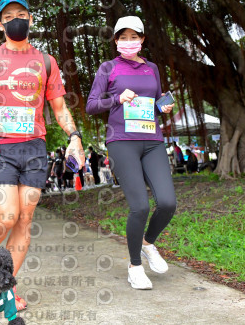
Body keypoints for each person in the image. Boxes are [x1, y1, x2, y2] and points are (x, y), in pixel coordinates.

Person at [0, 0, 84, 311]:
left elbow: (60, 109)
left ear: (31, 19)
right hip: (1, 147)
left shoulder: (47, 62)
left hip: (35, 148)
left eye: (21, 14)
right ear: (0, 24)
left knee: (25, 218)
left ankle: (4, 289)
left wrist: (74, 136)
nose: (15, 20)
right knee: (7, 215)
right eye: (8, 17)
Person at [86, 15, 176, 290]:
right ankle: (135, 266)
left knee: (167, 203)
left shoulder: (152, 68)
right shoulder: (108, 68)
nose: (128, 41)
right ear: (116, 41)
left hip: (152, 140)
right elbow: (91, 105)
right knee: (140, 207)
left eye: (133, 37)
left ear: (142, 39)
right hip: (122, 142)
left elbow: (155, 102)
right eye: (123, 37)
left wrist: (163, 107)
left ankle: (148, 244)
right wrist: (116, 98)